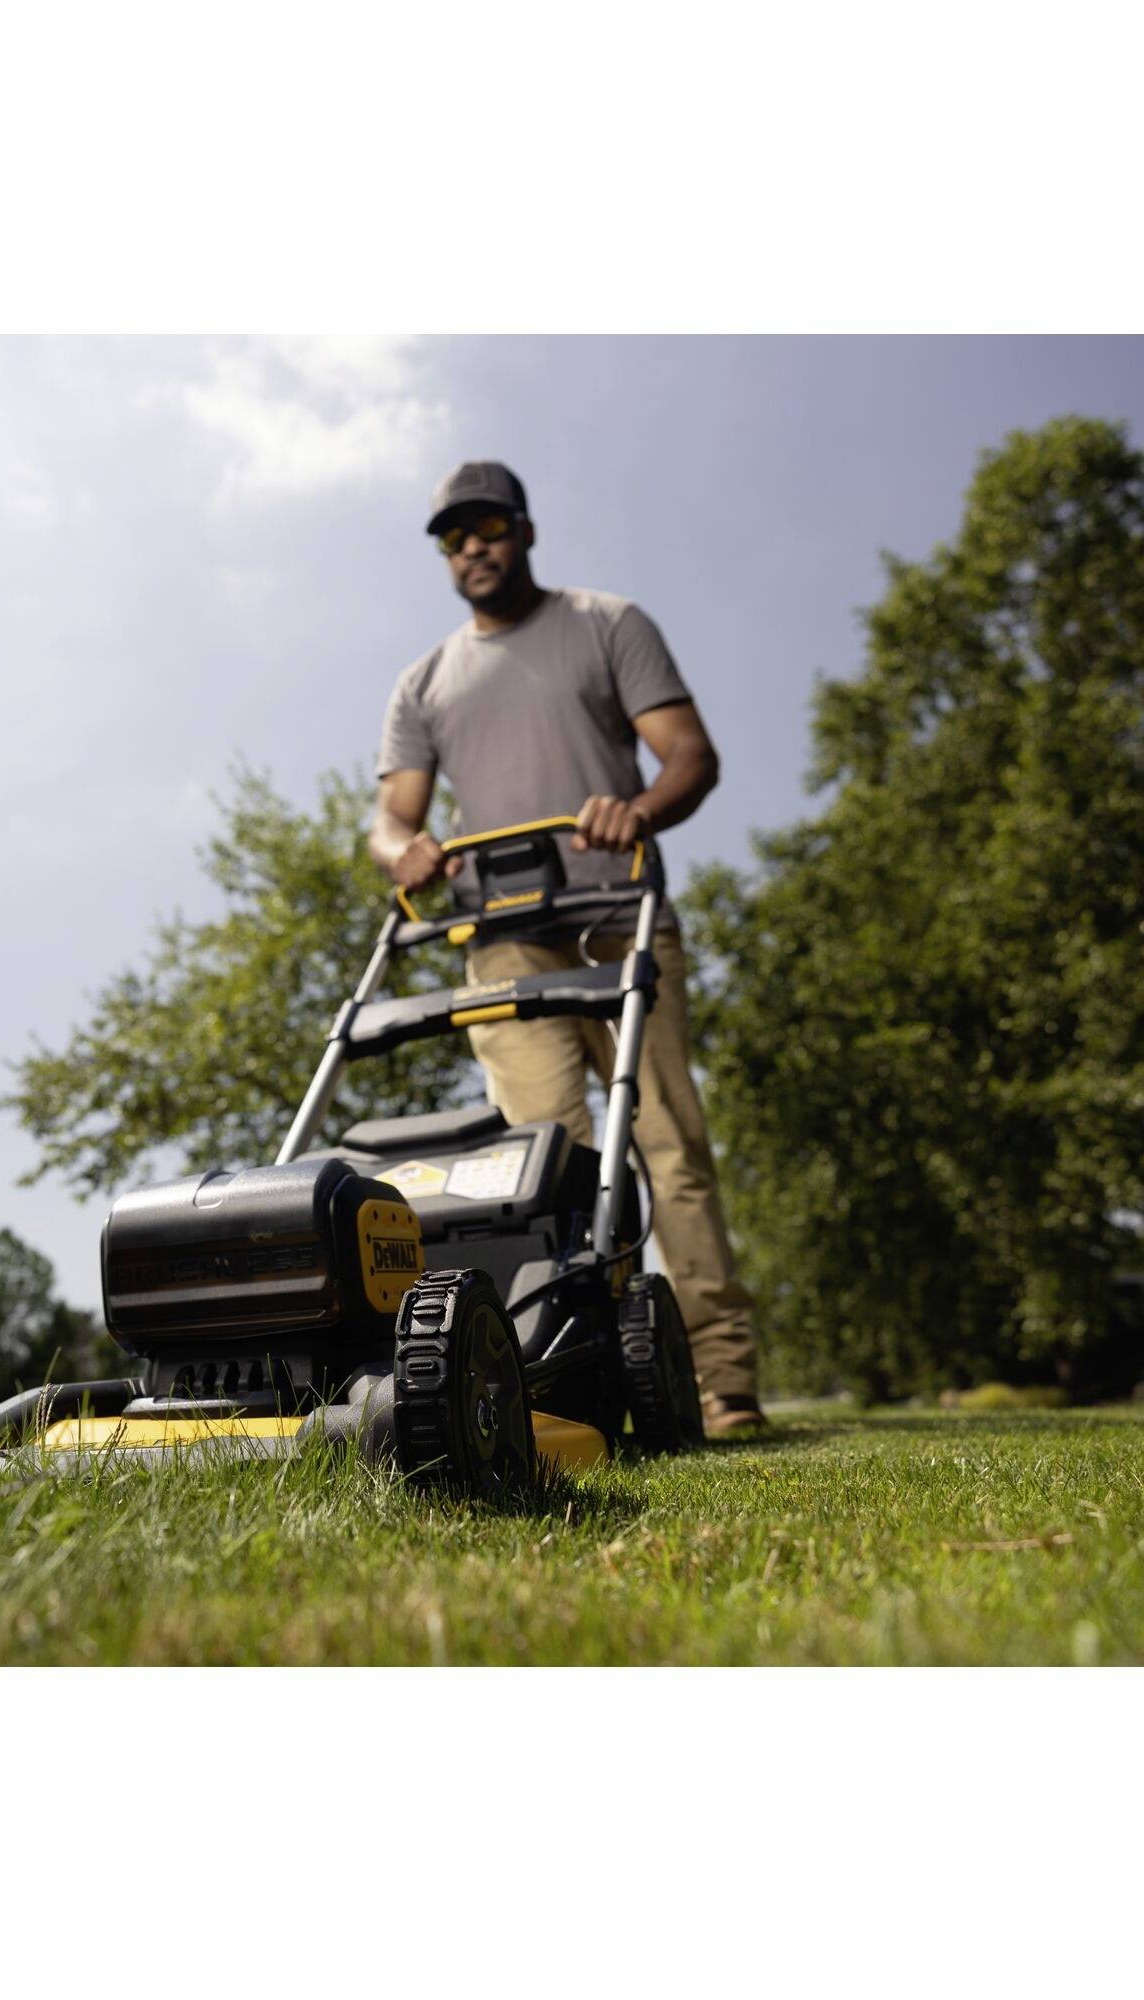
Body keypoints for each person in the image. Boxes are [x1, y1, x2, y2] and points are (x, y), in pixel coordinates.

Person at [369, 459, 766, 1435]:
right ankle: (591, 1376)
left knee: (667, 1146)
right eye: (452, 535)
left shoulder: (604, 622)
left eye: (487, 526)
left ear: (523, 528)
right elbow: (389, 819)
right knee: (550, 1165)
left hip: (615, 916)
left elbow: (688, 756)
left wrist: (630, 807)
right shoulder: (422, 682)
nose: (472, 546)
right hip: (500, 944)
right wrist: (404, 851)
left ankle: (722, 1379)